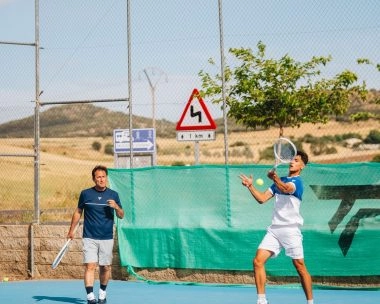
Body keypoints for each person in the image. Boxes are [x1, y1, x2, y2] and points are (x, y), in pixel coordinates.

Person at [239, 150, 314, 304]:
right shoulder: (279, 181)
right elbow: (261, 199)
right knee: (258, 261)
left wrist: (275, 178)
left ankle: (310, 302)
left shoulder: (297, 182)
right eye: (292, 159)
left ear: (302, 166)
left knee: (299, 266)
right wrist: (250, 187)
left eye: (297, 160)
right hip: (274, 230)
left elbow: (286, 188)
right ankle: (261, 300)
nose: (293, 162)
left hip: (291, 230)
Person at [67, 165, 124, 304]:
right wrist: (71, 230)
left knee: (105, 267)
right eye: (98, 177)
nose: (101, 179)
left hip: (106, 237)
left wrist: (116, 207)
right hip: (89, 236)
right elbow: (78, 212)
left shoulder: (113, 195)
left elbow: (121, 215)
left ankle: (102, 293)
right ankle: (90, 297)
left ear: (106, 178)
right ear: (94, 179)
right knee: (90, 266)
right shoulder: (85, 194)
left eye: (103, 176)